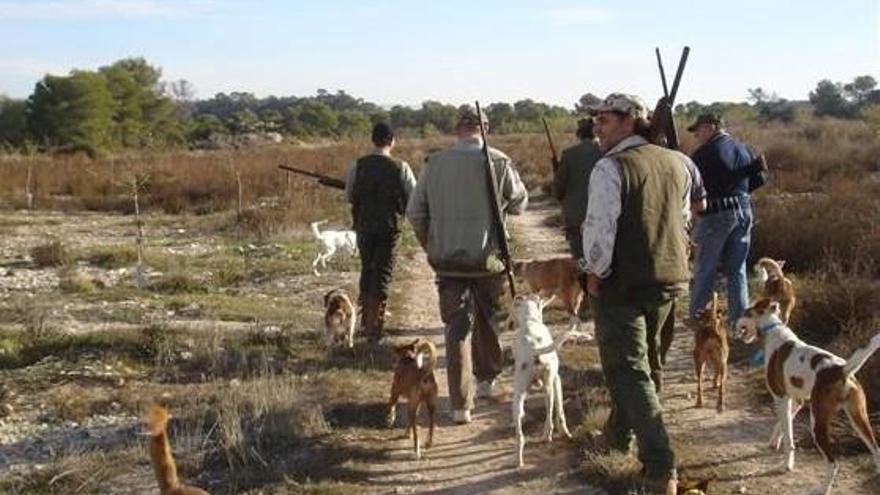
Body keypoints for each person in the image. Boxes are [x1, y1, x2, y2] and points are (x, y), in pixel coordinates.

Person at [581, 93, 695, 495]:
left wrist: (594, 273)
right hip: (669, 279)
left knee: (629, 371)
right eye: (596, 119)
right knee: (647, 367)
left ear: (629, 121)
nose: (598, 126)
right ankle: (616, 437)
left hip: (623, 285)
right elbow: (683, 221)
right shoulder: (677, 162)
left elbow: (598, 231)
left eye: (605, 119)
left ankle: (661, 467)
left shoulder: (610, 168)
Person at [406, 107, 527, 424]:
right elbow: (520, 203)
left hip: (448, 263)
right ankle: (486, 381)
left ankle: (461, 405)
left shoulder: (435, 164)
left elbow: (415, 213)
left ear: (457, 128)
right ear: (485, 127)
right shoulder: (498, 160)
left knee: (457, 329)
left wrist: (431, 247)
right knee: (488, 319)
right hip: (488, 262)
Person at [686, 113, 766, 330]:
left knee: (705, 268)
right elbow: (760, 179)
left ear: (711, 127)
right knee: (737, 269)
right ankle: (738, 322)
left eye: (698, 129)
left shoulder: (705, 153)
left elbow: (692, 188)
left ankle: (699, 320)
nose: (696, 135)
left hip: (716, 213)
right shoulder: (744, 148)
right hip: (744, 208)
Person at [345, 122, 416, 343]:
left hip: (364, 226)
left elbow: (349, 195)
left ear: (372, 140)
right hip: (389, 228)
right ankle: (374, 329)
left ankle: (365, 321)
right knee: (383, 273)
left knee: (367, 269)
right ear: (392, 141)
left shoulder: (357, 165)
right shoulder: (401, 167)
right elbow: (413, 198)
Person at [552, 117, 603, 306]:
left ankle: (589, 296)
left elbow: (558, 191)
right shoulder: (608, 152)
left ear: (578, 134)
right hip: (606, 218)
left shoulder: (569, 155)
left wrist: (557, 173)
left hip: (576, 219)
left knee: (581, 260)